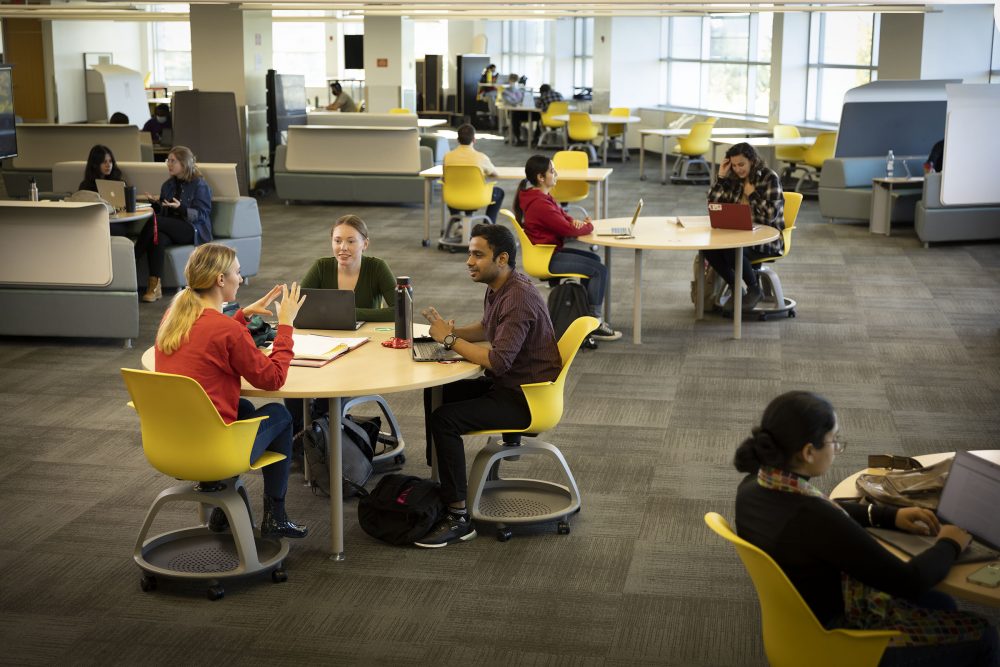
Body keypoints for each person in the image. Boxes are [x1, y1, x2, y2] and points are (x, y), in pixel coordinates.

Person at [734, 391, 998, 666]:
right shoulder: (814, 518)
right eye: (833, 441)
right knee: (985, 636)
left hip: (796, 621)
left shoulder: (754, 485)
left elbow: (826, 508)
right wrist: (950, 542)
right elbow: (909, 581)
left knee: (940, 601)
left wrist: (887, 515)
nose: (836, 448)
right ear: (808, 452)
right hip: (840, 641)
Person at [417, 224, 562, 548]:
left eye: (477, 255)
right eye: (470, 253)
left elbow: (497, 362)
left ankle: (458, 516)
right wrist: (441, 334)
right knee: (438, 392)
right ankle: (442, 480)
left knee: (445, 419)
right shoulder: (500, 286)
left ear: (502, 258)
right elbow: (487, 326)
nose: (469, 261)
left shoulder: (519, 297)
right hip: (512, 386)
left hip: (527, 398)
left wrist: (450, 339)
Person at [155, 243, 309, 540]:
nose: (241, 278)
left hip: (171, 441)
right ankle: (275, 516)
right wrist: (286, 326)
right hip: (212, 447)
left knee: (246, 410)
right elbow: (273, 378)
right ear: (220, 280)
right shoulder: (227, 331)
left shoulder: (174, 315)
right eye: (237, 273)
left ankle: (222, 507)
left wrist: (241, 315)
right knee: (279, 413)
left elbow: (209, 336)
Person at [285, 214, 396, 435]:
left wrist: (351, 313)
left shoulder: (377, 268)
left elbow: (400, 310)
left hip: (363, 347)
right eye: (337, 241)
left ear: (365, 243)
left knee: (330, 397)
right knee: (292, 385)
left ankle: (325, 434)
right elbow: (296, 308)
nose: (343, 247)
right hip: (321, 343)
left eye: (351, 241)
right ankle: (300, 438)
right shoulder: (321, 267)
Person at [514, 154, 620, 342]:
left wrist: (576, 222)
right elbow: (567, 229)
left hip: (548, 250)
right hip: (547, 257)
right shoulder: (540, 203)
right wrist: (588, 226)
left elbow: (563, 217)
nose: (556, 174)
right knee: (599, 271)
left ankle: (586, 317)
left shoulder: (540, 197)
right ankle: (595, 322)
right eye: (552, 171)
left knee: (594, 261)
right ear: (540, 177)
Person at [706, 142, 784, 312]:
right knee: (708, 249)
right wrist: (721, 177)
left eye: (741, 164)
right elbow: (713, 204)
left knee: (731, 249)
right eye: (734, 165)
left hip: (766, 239)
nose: (738, 169)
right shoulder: (733, 178)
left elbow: (771, 214)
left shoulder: (769, 178)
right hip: (738, 235)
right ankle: (735, 286)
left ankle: (754, 289)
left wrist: (752, 194)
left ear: (753, 161)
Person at [135, 146, 213, 303]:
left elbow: (202, 215)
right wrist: (157, 205)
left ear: (184, 163)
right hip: (172, 228)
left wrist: (182, 208)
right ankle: (154, 287)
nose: (169, 164)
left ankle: (133, 257)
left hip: (192, 229)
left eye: (173, 161)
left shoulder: (199, 185)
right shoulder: (168, 185)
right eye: (168, 161)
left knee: (155, 223)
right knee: (159, 238)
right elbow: (164, 215)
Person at [443, 124, 505, 225]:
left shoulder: (448, 157)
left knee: (453, 187)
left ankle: (458, 223)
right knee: (499, 192)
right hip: (478, 197)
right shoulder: (481, 157)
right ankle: (488, 226)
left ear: (458, 140)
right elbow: (494, 174)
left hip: (453, 197)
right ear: (474, 140)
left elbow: (445, 178)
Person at [501, 73, 529, 146]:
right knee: (515, 117)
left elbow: (523, 100)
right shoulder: (506, 91)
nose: (514, 83)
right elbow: (511, 102)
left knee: (537, 116)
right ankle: (518, 138)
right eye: (512, 81)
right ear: (509, 81)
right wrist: (518, 102)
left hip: (522, 111)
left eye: (515, 81)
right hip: (512, 112)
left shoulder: (521, 90)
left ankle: (533, 139)